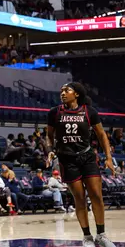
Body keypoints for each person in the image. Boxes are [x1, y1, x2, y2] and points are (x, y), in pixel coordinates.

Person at [47, 82, 116, 247]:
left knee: (97, 196)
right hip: (67, 159)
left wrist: (108, 157)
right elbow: (49, 135)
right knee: (79, 198)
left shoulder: (89, 112)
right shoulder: (54, 112)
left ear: (76, 94)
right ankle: (87, 237)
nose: (63, 92)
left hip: (87, 157)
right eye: (61, 90)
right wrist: (49, 150)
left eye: (67, 90)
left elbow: (101, 135)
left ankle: (101, 234)